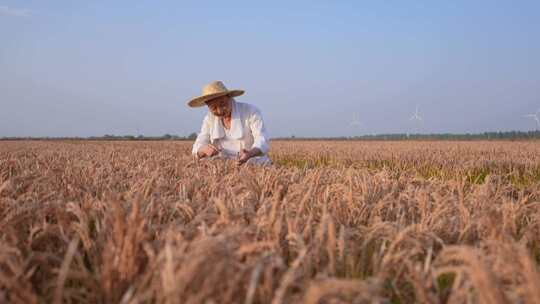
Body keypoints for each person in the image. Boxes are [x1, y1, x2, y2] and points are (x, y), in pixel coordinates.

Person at [187, 81, 271, 166]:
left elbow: (262, 139)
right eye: (214, 108)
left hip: (253, 164)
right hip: (225, 168)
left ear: (229, 97)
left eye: (223, 104)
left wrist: (250, 153)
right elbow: (198, 145)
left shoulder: (251, 111)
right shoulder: (209, 119)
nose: (220, 110)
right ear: (208, 106)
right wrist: (203, 150)